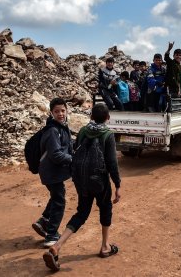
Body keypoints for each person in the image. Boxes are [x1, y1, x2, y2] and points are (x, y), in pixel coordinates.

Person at [43, 103, 122, 271]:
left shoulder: (84, 131)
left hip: (82, 180)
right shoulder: (108, 135)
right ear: (108, 118)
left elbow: (74, 152)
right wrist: (117, 185)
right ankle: (105, 246)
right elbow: (112, 163)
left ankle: (57, 246)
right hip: (100, 181)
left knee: (81, 213)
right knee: (105, 209)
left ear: (91, 117)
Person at [33, 98, 74, 247]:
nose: (60, 114)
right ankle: (51, 235)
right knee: (59, 201)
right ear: (51, 113)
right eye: (57, 111)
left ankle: (43, 221)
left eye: (62, 111)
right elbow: (56, 155)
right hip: (51, 171)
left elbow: (66, 145)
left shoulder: (61, 127)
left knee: (57, 195)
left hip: (54, 171)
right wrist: (73, 159)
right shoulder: (52, 130)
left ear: (66, 110)